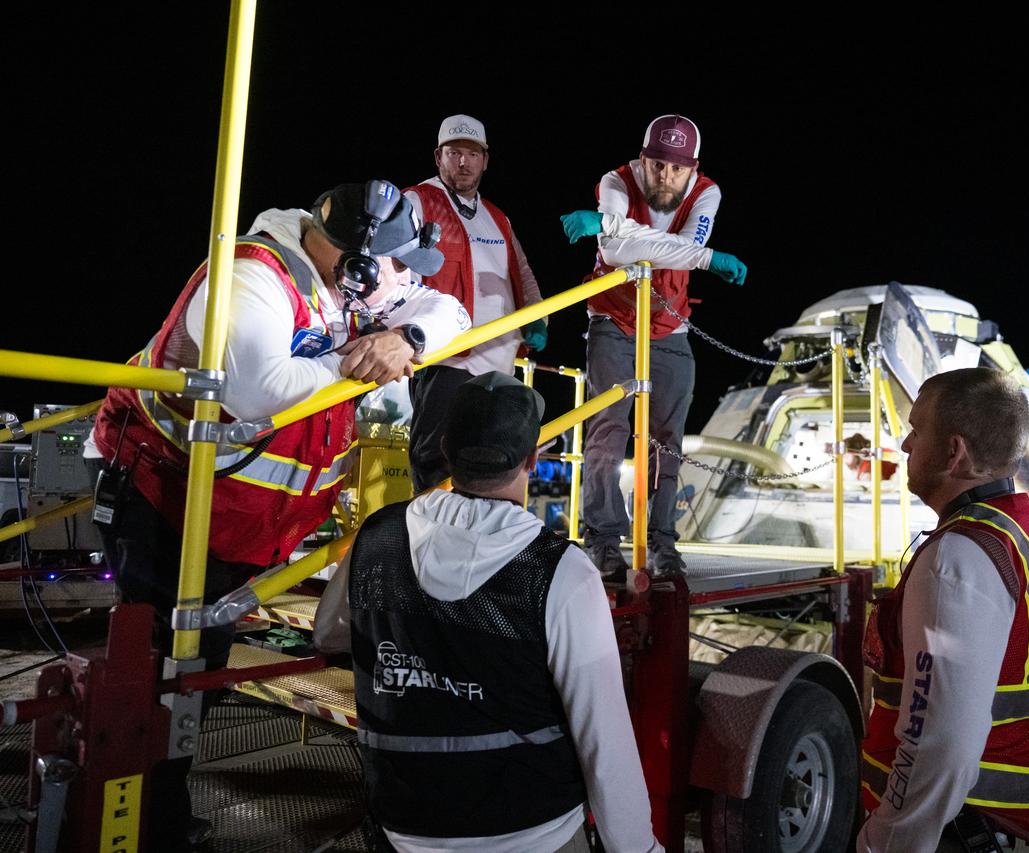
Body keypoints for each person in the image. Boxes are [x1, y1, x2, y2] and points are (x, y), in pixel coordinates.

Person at [89, 179, 468, 850]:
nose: (407, 280)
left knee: (195, 672)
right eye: (399, 267)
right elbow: (259, 389)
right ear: (357, 263)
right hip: (160, 500)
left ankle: (159, 810)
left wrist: (406, 334)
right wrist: (367, 363)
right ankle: (142, 821)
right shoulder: (250, 280)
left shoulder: (347, 283)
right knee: (164, 673)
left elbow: (451, 311)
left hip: (236, 515)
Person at [314, 372, 662, 853]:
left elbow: (328, 634)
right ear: (532, 459)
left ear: (443, 448)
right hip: (534, 834)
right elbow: (604, 737)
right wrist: (638, 847)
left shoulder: (378, 537)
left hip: (402, 831)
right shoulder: (560, 571)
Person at [857, 368, 1029, 852]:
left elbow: (938, 743)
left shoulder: (957, 558)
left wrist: (884, 842)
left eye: (917, 430)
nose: (904, 445)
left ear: (953, 452)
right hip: (1022, 824)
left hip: (961, 828)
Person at [559, 114, 748, 579]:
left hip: (672, 328)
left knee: (668, 442)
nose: (665, 176)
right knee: (608, 430)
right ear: (642, 159)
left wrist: (615, 229)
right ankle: (603, 539)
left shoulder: (707, 192)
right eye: (657, 164)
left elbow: (644, 244)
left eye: (677, 168)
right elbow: (618, 254)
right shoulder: (615, 181)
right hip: (613, 321)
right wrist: (697, 256)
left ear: (693, 168)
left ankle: (662, 541)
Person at [403, 114, 546, 491]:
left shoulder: (497, 217)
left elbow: (523, 272)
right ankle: (430, 537)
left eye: (472, 153)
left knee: (491, 458)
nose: (463, 162)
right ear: (438, 157)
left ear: (486, 159)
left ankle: (479, 540)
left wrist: (537, 318)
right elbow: (393, 269)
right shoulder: (418, 201)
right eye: (454, 153)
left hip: (499, 359)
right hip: (447, 357)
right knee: (435, 457)